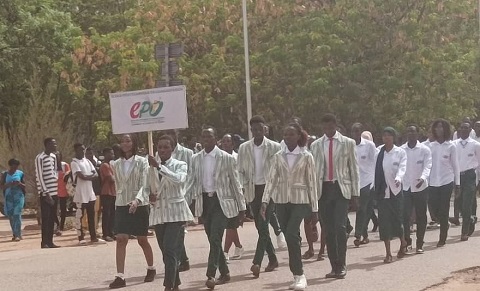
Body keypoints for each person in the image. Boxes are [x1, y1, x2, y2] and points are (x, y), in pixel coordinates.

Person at [185, 126, 246, 290]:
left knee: (215, 238)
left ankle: (210, 274)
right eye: (204, 137)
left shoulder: (226, 158)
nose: (206, 140)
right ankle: (225, 273)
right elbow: (191, 181)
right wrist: (184, 200)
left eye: (209, 137)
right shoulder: (196, 158)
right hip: (205, 202)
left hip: (221, 202)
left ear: (215, 138)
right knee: (212, 237)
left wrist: (242, 207)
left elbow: (235, 183)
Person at [261, 122, 318, 291]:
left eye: (291, 134)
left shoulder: (307, 156)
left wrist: (315, 209)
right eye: (285, 135)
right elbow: (271, 180)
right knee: (290, 236)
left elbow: (312, 183)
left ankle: (300, 275)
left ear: (299, 136)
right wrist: (265, 201)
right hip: (281, 201)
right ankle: (296, 275)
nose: (287, 137)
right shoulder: (278, 156)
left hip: (300, 200)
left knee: (292, 234)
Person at [310, 114, 359, 279]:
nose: (328, 130)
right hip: (324, 190)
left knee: (340, 227)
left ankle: (343, 264)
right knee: (328, 230)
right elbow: (313, 171)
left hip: (340, 188)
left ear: (336, 126)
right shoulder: (316, 145)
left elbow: (354, 169)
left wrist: (355, 194)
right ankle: (334, 266)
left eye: (330, 127)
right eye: (325, 128)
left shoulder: (348, 143)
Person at [237, 116, 282, 278]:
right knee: (260, 226)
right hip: (252, 191)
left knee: (263, 224)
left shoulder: (275, 147)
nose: (257, 132)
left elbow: (279, 170)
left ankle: (256, 262)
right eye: (254, 129)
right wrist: (242, 185)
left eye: (260, 129)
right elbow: (239, 171)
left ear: (265, 129)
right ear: (251, 130)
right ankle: (273, 259)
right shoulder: (243, 148)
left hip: (269, 191)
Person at [109, 134, 156, 289]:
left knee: (142, 240)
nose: (125, 144)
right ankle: (120, 276)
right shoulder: (115, 164)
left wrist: (137, 200)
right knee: (121, 239)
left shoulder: (142, 162)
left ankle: (151, 268)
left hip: (139, 204)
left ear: (134, 142)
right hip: (122, 204)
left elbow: (145, 184)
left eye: (128, 140)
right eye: (122, 141)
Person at [148, 135, 194, 291]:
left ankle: (168, 286)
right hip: (159, 214)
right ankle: (175, 284)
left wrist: (160, 167)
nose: (162, 150)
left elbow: (179, 180)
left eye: (166, 147)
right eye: (159, 147)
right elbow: (146, 186)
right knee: (166, 252)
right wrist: (146, 197)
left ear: (173, 149)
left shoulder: (180, 164)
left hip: (176, 213)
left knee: (170, 249)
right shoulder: (150, 167)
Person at [157, 129, 194, 272]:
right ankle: (179, 264)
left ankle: (178, 265)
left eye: (172, 134)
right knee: (169, 243)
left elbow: (189, 176)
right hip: (163, 205)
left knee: (174, 238)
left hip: (182, 197)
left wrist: (185, 194)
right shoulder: (157, 157)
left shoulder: (187, 154)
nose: (162, 149)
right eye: (160, 147)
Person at [373, 127, 408, 264]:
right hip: (382, 191)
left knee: (397, 219)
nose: (386, 138)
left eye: (389, 135)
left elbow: (402, 167)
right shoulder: (379, 152)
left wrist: (399, 178)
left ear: (394, 137)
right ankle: (388, 253)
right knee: (384, 222)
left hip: (395, 190)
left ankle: (403, 242)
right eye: (384, 135)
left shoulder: (400, 152)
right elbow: (375, 169)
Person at [429, 119, 460, 247]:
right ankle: (444, 221)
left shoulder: (451, 146)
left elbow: (455, 166)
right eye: (437, 127)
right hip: (432, 182)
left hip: (446, 181)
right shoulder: (431, 146)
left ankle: (442, 238)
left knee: (444, 208)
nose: (439, 129)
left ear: (446, 129)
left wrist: (457, 184)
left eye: (441, 127)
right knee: (434, 210)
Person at [400, 125, 432, 254]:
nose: (411, 133)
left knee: (421, 216)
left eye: (413, 131)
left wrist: (423, 178)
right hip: (406, 187)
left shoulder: (425, 149)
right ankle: (407, 242)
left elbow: (428, 165)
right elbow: (400, 167)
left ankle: (420, 243)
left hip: (421, 187)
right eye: (409, 131)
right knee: (405, 216)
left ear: (418, 134)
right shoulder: (401, 150)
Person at [71, 143, 105, 246]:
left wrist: (88, 176)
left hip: (90, 192)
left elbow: (95, 174)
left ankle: (93, 237)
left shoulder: (87, 161)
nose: (83, 152)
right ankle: (80, 237)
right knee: (80, 216)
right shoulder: (74, 162)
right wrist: (88, 176)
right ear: (76, 150)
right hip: (80, 193)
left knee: (91, 215)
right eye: (80, 150)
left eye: (83, 149)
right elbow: (81, 176)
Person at [351, 123, 377, 247]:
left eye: (357, 131)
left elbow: (376, 162)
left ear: (360, 132)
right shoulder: (349, 146)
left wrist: (375, 181)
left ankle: (358, 234)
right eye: (353, 131)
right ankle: (364, 235)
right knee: (362, 209)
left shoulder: (369, 145)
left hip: (368, 180)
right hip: (355, 182)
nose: (355, 134)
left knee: (362, 208)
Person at [454, 122, 480, 241]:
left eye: (466, 128)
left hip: (470, 175)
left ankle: (464, 232)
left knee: (467, 204)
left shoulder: (475, 144)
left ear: (470, 130)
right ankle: (470, 218)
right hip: (457, 176)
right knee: (458, 203)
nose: (464, 129)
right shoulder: (454, 144)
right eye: (462, 127)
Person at [221, 134, 245, 262]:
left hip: (237, 192)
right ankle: (238, 246)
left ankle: (224, 252)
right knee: (231, 225)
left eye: (228, 141)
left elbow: (241, 174)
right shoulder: (219, 158)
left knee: (231, 224)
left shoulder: (237, 158)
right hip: (224, 195)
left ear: (233, 144)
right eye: (223, 141)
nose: (226, 143)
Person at [35, 137, 60, 249]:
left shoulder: (54, 157)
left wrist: (55, 178)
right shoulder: (40, 158)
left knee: (52, 218)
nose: (55, 146)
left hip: (54, 191)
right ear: (47, 145)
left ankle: (50, 241)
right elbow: (40, 177)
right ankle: (44, 242)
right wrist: (46, 193)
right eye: (53, 144)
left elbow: (55, 171)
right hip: (46, 193)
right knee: (46, 218)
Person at [1, 159, 26, 241]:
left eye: (16, 166)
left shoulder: (20, 173)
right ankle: (15, 233)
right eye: (14, 166)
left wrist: (19, 184)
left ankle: (18, 234)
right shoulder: (4, 174)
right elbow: (1, 187)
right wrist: (9, 184)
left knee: (17, 214)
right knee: (11, 216)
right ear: (10, 165)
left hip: (19, 196)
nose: (15, 168)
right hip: (9, 198)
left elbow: (24, 186)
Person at [362, 130, 379, 232]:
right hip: (362, 182)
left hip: (373, 181)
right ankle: (375, 221)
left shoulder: (376, 152)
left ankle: (363, 229)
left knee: (368, 205)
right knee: (366, 205)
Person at [100, 147, 116, 242]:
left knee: (112, 214)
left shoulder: (111, 165)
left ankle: (111, 232)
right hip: (106, 192)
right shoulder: (105, 166)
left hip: (112, 192)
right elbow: (111, 179)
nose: (113, 155)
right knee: (107, 214)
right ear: (106, 154)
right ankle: (105, 233)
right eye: (111, 153)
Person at [86, 147, 102, 231]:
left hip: (96, 190)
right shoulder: (84, 164)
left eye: (91, 153)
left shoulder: (98, 163)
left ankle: (95, 228)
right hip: (86, 191)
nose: (90, 155)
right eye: (88, 153)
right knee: (87, 212)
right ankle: (87, 228)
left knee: (97, 211)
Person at [56, 152, 71, 233]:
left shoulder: (65, 165)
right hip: (53, 189)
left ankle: (61, 226)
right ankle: (57, 224)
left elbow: (68, 177)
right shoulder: (51, 166)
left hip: (63, 189)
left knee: (63, 209)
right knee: (53, 209)